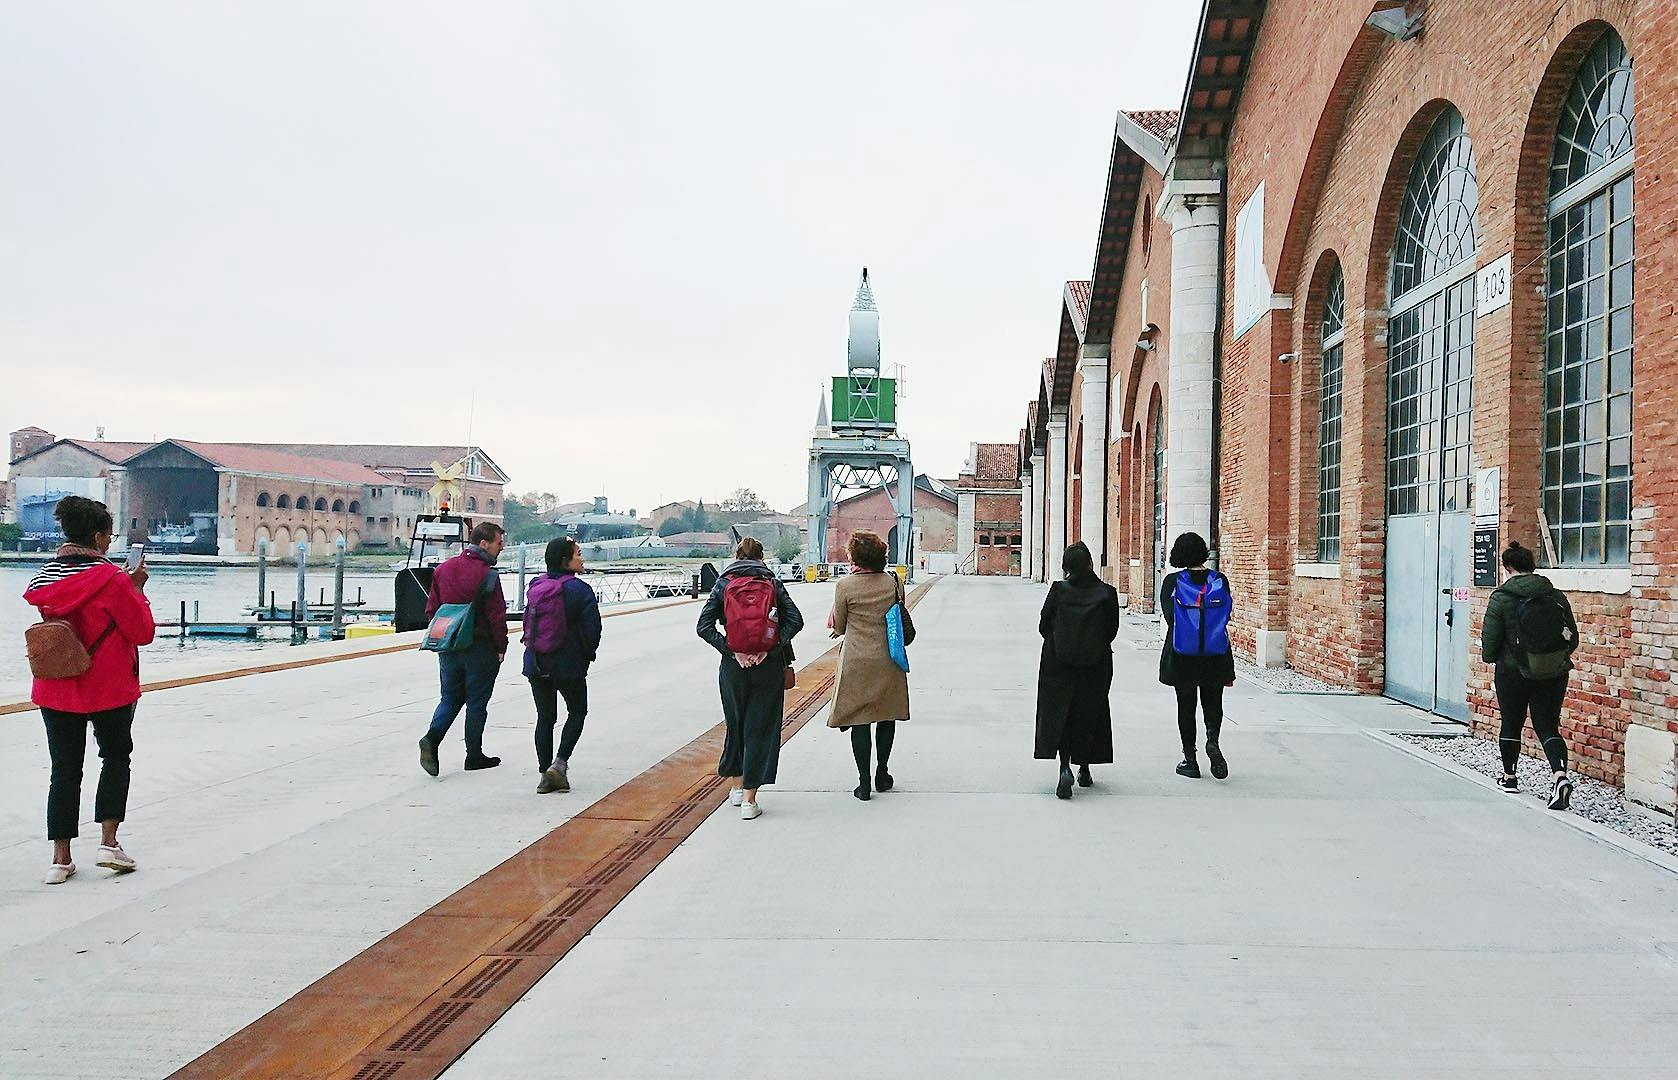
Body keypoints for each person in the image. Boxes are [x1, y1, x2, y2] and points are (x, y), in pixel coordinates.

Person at [22, 496, 155, 885]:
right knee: (115, 757)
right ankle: (109, 842)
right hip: (109, 685)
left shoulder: (45, 577)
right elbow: (142, 632)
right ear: (98, 537)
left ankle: (60, 859)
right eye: (109, 536)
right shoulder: (113, 580)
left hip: (56, 685)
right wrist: (137, 589)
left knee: (64, 769)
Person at [697, 537, 804, 819]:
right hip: (767, 667)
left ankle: (735, 788)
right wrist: (770, 649)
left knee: (737, 725)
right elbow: (796, 620)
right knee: (761, 729)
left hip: (733, 668)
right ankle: (749, 801)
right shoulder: (772, 582)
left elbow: (703, 626)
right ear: (761, 557)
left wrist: (732, 651)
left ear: (736, 555)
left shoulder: (723, 583)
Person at [1481, 540, 1578, 810]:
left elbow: (1489, 645)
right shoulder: (1555, 595)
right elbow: (1572, 638)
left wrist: (1494, 657)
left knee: (1512, 721)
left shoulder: (1501, 598)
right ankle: (1559, 777)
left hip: (1512, 672)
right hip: (1553, 671)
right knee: (1547, 724)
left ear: (1507, 567)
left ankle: (1510, 776)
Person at [826, 530, 911, 802]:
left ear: (856, 557)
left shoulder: (845, 586)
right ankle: (882, 774)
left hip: (857, 661)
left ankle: (863, 784)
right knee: (886, 716)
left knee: (860, 721)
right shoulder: (894, 582)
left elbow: (839, 626)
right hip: (889, 658)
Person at [418, 521, 508, 775]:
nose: (501, 548)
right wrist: (500, 646)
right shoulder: (488, 574)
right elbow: (496, 615)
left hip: (448, 645)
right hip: (480, 645)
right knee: (477, 701)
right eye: (498, 543)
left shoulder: (443, 569)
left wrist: (447, 635)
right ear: (484, 543)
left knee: (449, 697)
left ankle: (432, 739)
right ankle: (474, 755)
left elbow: (431, 610)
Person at [1035, 542, 1120, 799]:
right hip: (1095, 665)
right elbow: (1111, 631)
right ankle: (1084, 767)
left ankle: (1064, 767)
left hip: (1057, 664)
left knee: (1060, 711)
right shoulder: (1107, 593)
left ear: (1066, 566)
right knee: (1089, 712)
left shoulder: (1058, 590)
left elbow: (1043, 624)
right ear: (1090, 564)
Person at [522, 536, 602, 794]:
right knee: (577, 711)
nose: (582, 558)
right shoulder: (581, 590)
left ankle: (544, 771)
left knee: (545, 717)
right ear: (566, 561)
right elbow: (593, 630)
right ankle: (560, 763)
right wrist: (587, 655)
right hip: (568, 663)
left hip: (536, 661)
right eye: (578, 553)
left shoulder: (536, 585)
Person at [1158, 531, 1235, 780]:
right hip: (1215, 653)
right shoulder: (1219, 579)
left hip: (1183, 654)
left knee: (1186, 706)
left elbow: (1171, 619)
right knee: (1213, 703)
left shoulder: (1172, 582)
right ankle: (1212, 741)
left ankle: (1190, 760)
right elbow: (1227, 613)